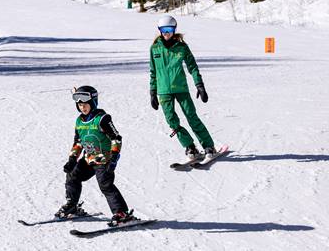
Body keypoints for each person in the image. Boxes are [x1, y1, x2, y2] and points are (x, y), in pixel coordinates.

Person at [55, 85, 135, 227]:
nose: (82, 108)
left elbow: (116, 138)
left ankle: (121, 213)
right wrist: (72, 159)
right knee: (72, 176)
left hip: (104, 159)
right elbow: (78, 142)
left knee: (105, 184)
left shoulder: (102, 118)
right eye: (79, 105)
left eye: (85, 104)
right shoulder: (79, 121)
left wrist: (114, 159)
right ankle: (72, 205)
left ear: (92, 103)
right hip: (89, 159)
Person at [149, 15, 216, 161]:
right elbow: (153, 72)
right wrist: (152, 92)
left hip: (181, 89)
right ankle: (189, 146)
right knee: (171, 121)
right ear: (160, 31)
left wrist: (200, 85)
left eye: (169, 29)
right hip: (163, 91)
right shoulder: (154, 49)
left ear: (174, 30)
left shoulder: (181, 47)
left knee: (192, 117)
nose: (167, 33)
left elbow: (192, 66)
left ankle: (208, 146)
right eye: (163, 30)